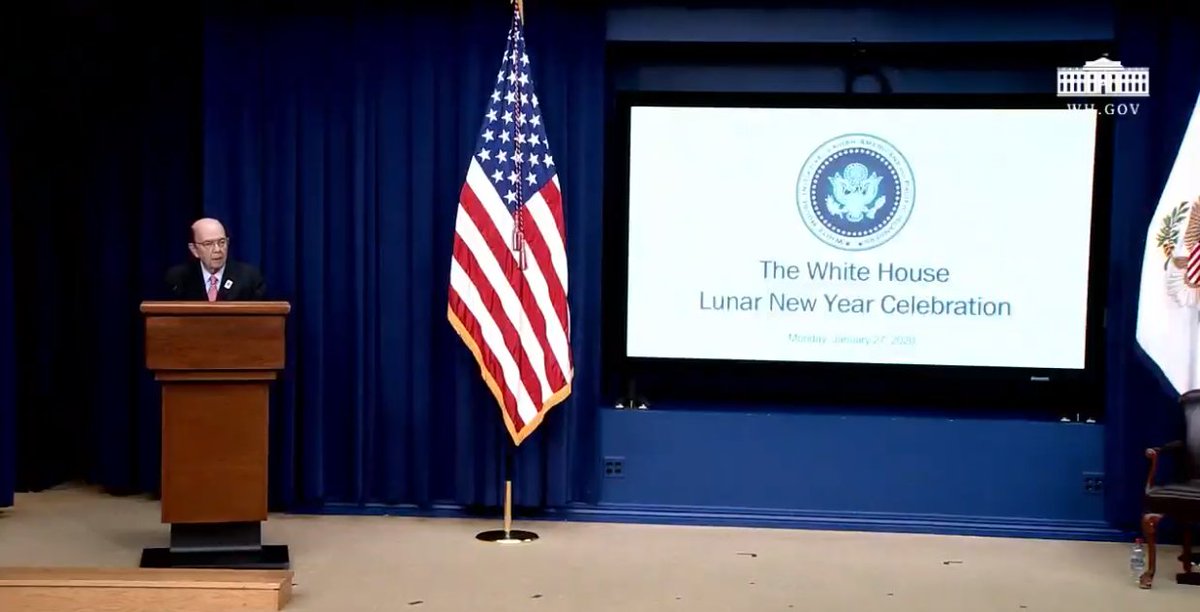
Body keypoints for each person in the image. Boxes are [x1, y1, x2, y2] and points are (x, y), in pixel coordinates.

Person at [164, 218, 266, 301]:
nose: (217, 249)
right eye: (208, 244)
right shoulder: (178, 278)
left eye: (222, 242)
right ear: (194, 249)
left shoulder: (249, 278)